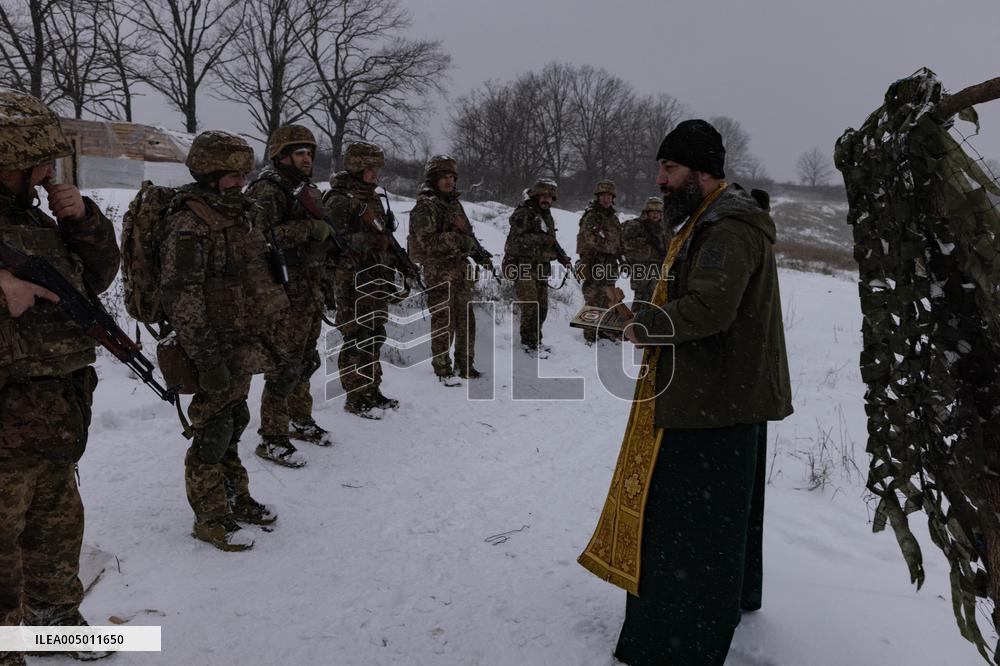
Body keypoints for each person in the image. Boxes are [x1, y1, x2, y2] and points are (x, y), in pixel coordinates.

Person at [578, 119, 793, 665]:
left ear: (702, 171)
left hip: (712, 401)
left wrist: (640, 327)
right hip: (719, 393)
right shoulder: (707, 219)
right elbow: (693, 295)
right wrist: (642, 312)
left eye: (669, 169)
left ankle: (678, 641)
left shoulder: (727, 228)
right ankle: (723, 602)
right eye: (660, 169)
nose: (660, 180)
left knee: (689, 529)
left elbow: (709, 309)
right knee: (719, 518)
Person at [0, 89, 120, 664]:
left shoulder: (35, 221)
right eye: (41, 162)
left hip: (55, 406)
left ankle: (55, 620)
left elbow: (93, 282)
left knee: (56, 525)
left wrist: (83, 222)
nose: (50, 173)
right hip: (5, 413)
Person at [157, 131, 291, 550]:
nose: (239, 181)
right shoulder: (190, 222)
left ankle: (236, 497)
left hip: (244, 340)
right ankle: (210, 516)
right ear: (208, 173)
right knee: (212, 431)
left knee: (233, 423)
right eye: (229, 174)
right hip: (211, 347)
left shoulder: (243, 214)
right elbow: (183, 297)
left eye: (241, 173)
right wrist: (207, 359)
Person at [246, 125, 335, 468]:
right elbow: (259, 238)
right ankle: (272, 436)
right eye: (299, 153)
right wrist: (308, 229)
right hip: (283, 292)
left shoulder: (307, 189)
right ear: (282, 156)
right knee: (284, 365)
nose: (307, 158)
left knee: (306, 359)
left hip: (308, 290)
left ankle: (300, 420)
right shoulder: (268, 189)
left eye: (309, 152)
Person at [323, 142, 400, 418]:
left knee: (375, 334)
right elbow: (332, 242)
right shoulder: (340, 199)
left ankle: (372, 389)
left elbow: (383, 239)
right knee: (357, 336)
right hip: (351, 281)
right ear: (356, 168)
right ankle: (355, 396)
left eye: (376, 169)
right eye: (369, 169)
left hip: (375, 278)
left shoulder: (373, 198)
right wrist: (371, 240)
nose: (374, 174)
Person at [407, 155, 481, 384]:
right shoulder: (425, 206)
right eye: (444, 177)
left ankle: (465, 365)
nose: (449, 182)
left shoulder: (453, 204)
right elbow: (427, 242)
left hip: (460, 271)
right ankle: (442, 368)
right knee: (443, 321)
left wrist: (477, 251)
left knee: (466, 320)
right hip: (438, 272)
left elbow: (467, 234)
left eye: (452, 177)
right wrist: (459, 240)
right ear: (434, 179)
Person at [501, 178, 571, 355]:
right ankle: (528, 343)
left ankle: (536, 341)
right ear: (536, 195)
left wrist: (561, 256)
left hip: (540, 267)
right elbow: (513, 244)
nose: (547, 199)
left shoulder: (546, 216)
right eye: (544, 196)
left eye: (550, 197)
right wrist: (541, 239)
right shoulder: (524, 214)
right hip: (523, 267)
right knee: (530, 306)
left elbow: (550, 241)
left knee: (542, 307)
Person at [576, 179, 623, 344]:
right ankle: (589, 335)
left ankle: (603, 331)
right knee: (593, 298)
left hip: (609, 264)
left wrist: (622, 255)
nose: (606, 199)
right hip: (594, 262)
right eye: (603, 195)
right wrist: (611, 247)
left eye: (609, 195)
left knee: (608, 298)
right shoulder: (592, 215)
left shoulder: (613, 217)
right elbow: (590, 239)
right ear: (598, 197)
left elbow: (619, 240)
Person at [621, 196, 667, 314]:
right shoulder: (636, 225)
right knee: (640, 300)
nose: (655, 215)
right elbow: (626, 245)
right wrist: (650, 252)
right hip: (641, 269)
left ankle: (650, 327)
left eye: (658, 212)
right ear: (646, 212)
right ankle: (634, 327)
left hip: (659, 269)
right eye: (652, 212)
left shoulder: (664, 228)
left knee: (656, 300)